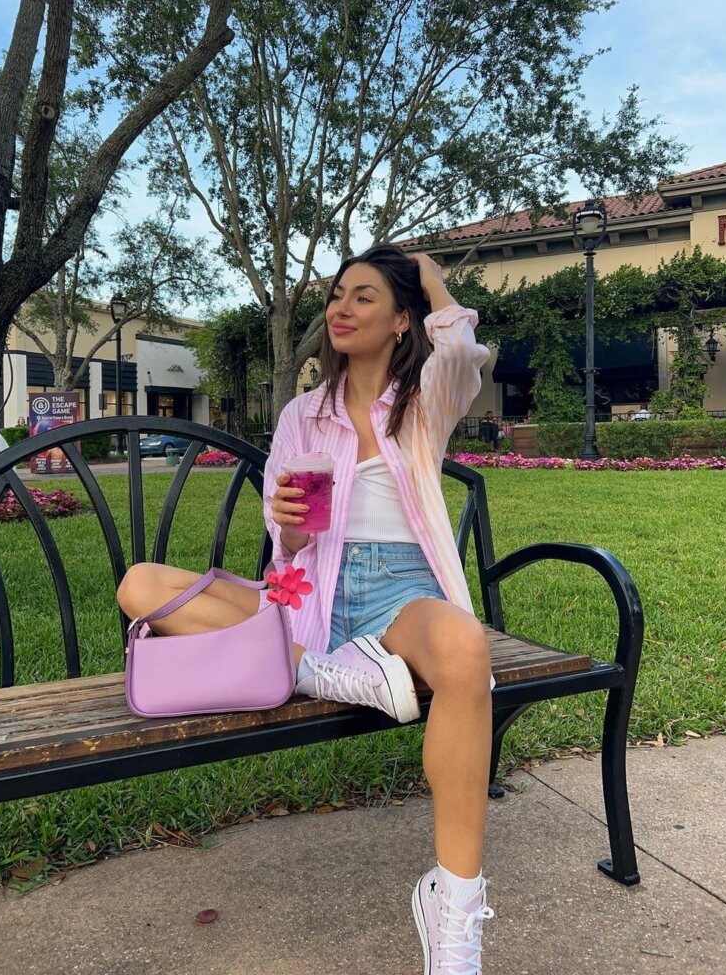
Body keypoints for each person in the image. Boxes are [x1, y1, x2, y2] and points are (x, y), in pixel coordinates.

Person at [116, 245, 496, 971]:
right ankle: (315, 667)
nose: (341, 309)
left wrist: (424, 271)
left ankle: (454, 910)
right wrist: (288, 526)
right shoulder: (302, 415)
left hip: (401, 593)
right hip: (310, 593)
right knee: (140, 584)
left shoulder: (427, 401)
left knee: (464, 649)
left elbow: (460, 347)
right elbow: (287, 538)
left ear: (402, 320)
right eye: (336, 295)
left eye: (363, 297)